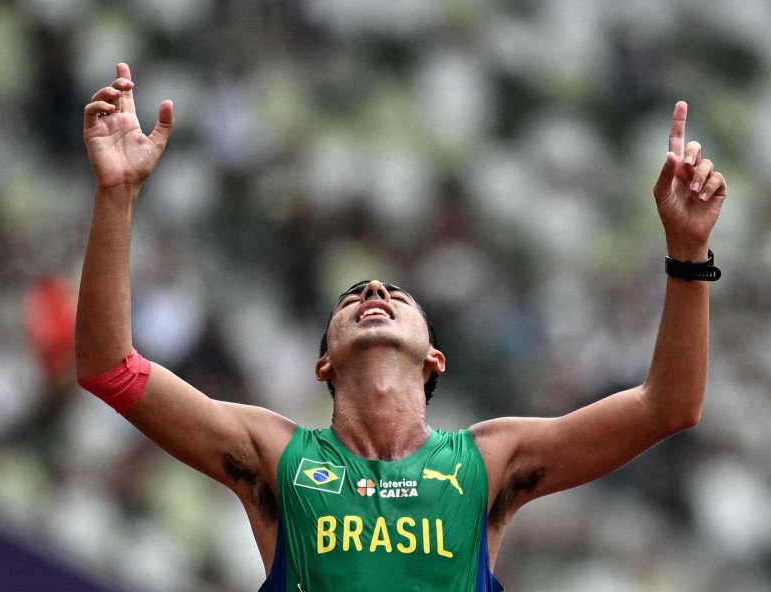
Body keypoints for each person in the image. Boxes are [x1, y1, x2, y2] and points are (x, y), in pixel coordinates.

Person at [77, 64, 728, 592]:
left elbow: (669, 407)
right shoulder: (277, 456)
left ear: (434, 358)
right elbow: (109, 368)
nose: (374, 292)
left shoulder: (488, 461)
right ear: (324, 365)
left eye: (396, 295)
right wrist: (116, 194)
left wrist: (688, 251)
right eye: (350, 297)